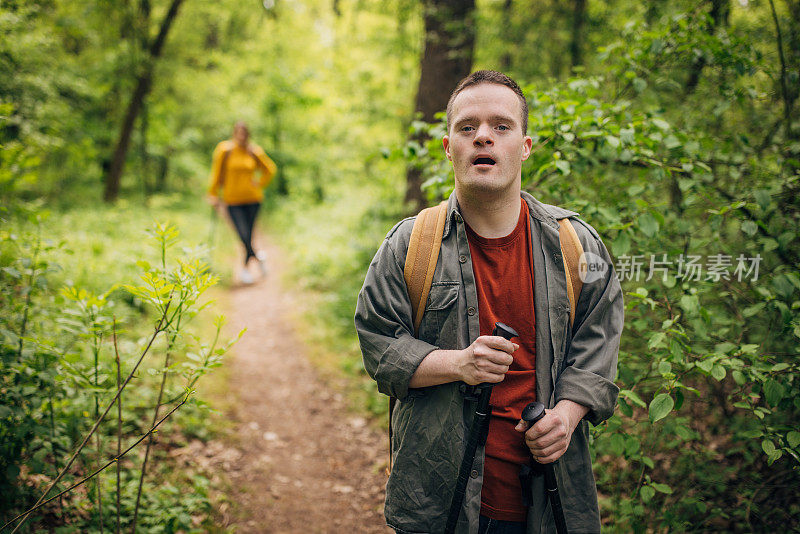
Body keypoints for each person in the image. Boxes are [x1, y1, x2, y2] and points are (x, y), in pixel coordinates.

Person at [355, 70, 623, 534]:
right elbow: (379, 344)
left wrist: (566, 415)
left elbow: (598, 344)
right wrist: (458, 364)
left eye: (501, 126)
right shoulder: (410, 245)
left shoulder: (577, 245)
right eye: (467, 127)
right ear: (448, 147)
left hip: (550, 504)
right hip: (438, 504)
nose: (483, 137)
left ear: (524, 146)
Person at [207, 121, 277, 284]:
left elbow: (270, 169)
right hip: (232, 200)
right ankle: (258, 257)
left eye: (244, 133)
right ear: (234, 133)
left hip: (253, 199)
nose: (242, 136)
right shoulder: (225, 150)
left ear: (248, 134)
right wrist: (213, 194)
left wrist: (259, 183)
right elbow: (217, 173)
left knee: (249, 235)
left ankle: (245, 270)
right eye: (239, 132)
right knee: (243, 234)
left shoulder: (254, 151)